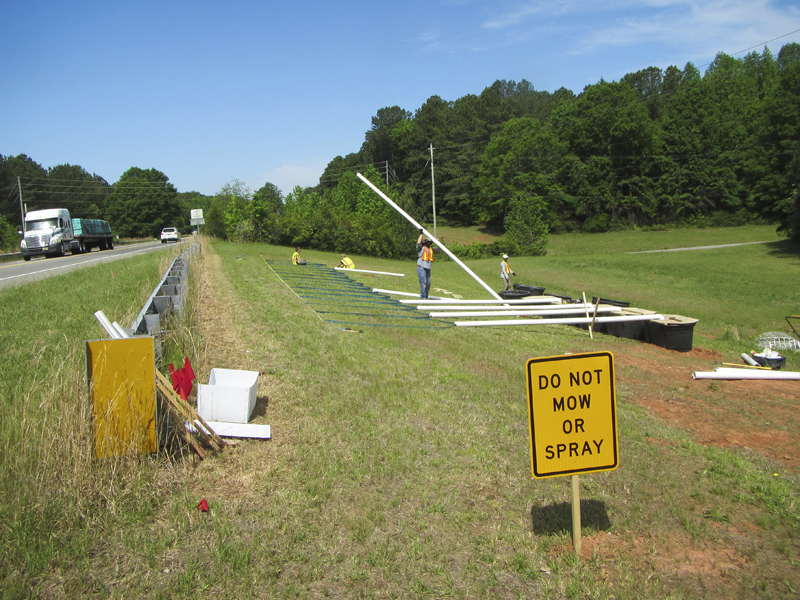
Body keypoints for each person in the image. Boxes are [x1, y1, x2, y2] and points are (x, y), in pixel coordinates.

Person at [416, 230, 437, 299]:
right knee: (423, 282)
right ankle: (422, 297)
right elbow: (418, 242)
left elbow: (439, 250)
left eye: (429, 242)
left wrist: (437, 242)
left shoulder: (431, 249)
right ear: (425, 242)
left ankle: (426, 296)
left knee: (428, 283)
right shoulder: (421, 248)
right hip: (421, 267)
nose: (428, 243)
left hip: (428, 268)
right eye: (427, 242)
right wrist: (421, 234)